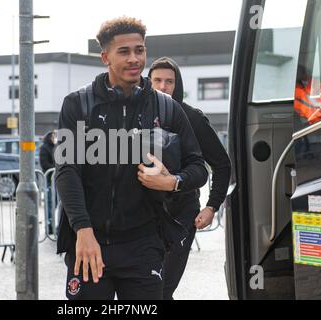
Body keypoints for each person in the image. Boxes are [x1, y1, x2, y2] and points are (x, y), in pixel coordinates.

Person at [55, 17, 208, 300]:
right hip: (91, 242)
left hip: (144, 246)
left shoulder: (167, 107)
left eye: (140, 50)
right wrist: (83, 231)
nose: (134, 58)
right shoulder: (78, 104)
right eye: (124, 51)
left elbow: (199, 168)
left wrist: (172, 182)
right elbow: (66, 171)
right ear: (105, 57)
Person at [147, 57, 231, 299]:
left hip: (182, 215)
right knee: (146, 290)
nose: (163, 87)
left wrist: (212, 206)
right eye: (157, 81)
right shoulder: (137, 115)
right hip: (144, 216)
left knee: (163, 290)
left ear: (178, 84)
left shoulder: (192, 118)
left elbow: (222, 165)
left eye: (169, 81)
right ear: (148, 82)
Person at [40, 130, 57, 234]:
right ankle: (49, 226)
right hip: (50, 179)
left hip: (56, 179)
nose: (54, 138)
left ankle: (54, 225)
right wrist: (57, 168)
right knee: (50, 203)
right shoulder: (44, 148)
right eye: (53, 136)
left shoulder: (55, 147)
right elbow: (45, 164)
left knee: (55, 203)